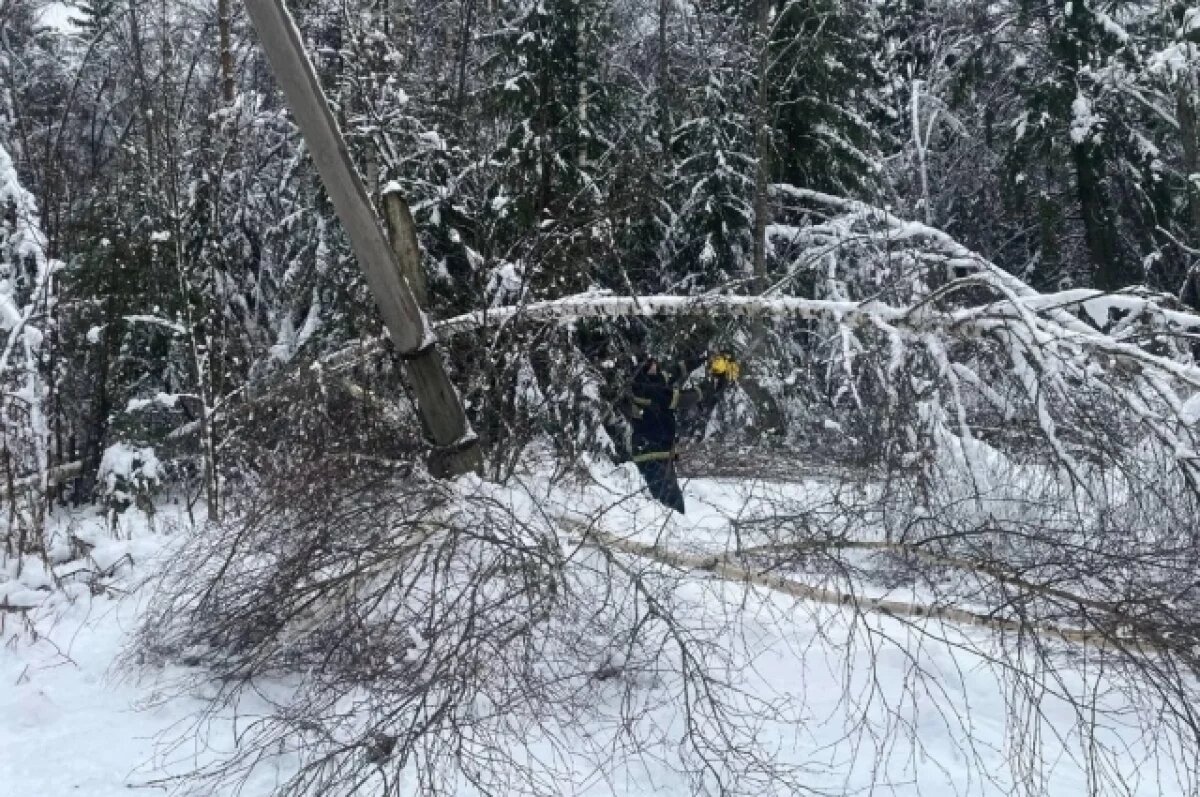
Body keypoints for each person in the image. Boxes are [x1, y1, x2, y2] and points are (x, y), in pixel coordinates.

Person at [628, 352, 736, 513]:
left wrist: (700, 359)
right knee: (669, 502)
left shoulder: (651, 382)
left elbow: (673, 371)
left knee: (663, 499)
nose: (655, 365)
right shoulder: (647, 389)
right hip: (652, 452)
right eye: (650, 364)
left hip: (658, 451)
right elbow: (683, 399)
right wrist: (707, 387)